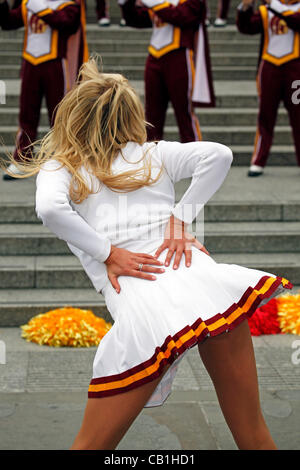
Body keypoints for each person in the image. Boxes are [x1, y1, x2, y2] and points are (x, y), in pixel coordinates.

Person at [1, 57, 293, 450]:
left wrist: (108, 253)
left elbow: (50, 210)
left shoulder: (62, 166)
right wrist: (181, 219)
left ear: (72, 117)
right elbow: (220, 155)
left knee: (89, 447)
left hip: (148, 318)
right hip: (209, 293)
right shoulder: (154, 153)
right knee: (255, 436)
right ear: (130, 115)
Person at [0, 0, 88, 181]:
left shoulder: (69, 4)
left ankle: (62, 159)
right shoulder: (29, 3)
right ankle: (22, 158)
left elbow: (67, 24)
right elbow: (8, 22)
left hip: (56, 64)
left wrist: (41, 9)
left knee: (59, 115)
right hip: (30, 63)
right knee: (26, 115)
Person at [118, 0, 215, 143]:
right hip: (154, 57)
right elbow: (135, 19)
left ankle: (197, 160)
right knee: (151, 118)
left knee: (185, 115)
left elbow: (181, 16)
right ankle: (150, 161)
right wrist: (126, 3)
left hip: (180, 56)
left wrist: (152, 2)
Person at [237, 0, 300, 177]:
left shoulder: (279, 7)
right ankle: (259, 160)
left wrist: (274, 5)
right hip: (270, 68)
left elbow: (295, 21)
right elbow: (246, 27)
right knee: (265, 116)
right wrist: (245, 8)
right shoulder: (267, 10)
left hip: (296, 72)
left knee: (298, 115)